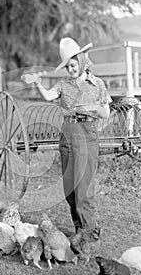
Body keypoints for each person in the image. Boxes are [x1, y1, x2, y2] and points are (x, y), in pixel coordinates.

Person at [34, 37, 112, 236]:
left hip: (87, 134)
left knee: (83, 189)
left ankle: (89, 234)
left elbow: (105, 113)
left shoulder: (97, 85)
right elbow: (48, 96)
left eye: (73, 65)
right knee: (69, 189)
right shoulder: (64, 84)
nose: (70, 70)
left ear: (83, 60)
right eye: (67, 67)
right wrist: (38, 83)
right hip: (67, 133)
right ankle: (80, 230)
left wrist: (89, 108)